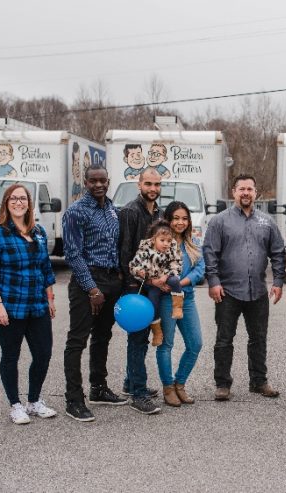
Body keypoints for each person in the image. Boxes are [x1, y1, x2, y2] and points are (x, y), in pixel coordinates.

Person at [204, 174, 286, 401]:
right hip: (227, 291)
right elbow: (210, 253)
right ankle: (222, 384)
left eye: (250, 189)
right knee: (224, 339)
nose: (246, 193)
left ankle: (259, 381)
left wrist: (278, 281)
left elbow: (278, 253)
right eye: (241, 189)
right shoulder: (219, 221)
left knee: (258, 338)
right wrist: (213, 282)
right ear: (234, 192)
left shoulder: (267, 221)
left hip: (258, 291)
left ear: (256, 192)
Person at [0, 184, 57, 424]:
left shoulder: (39, 232)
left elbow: (45, 268)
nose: (18, 202)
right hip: (10, 305)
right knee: (11, 355)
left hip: (37, 304)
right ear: (6, 203)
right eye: (13, 198)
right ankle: (15, 405)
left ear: (28, 203)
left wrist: (50, 299)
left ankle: (34, 401)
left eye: (22, 198)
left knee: (43, 353)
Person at [62, 164, 128, 423]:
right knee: (77, 340)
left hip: (111, 280)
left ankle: (98, 388)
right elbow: (72, 253)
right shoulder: (76, 212)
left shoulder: (112, 209)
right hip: (87, 281)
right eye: (93, 181)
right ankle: (73, 399)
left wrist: (118, 279)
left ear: (108, 181)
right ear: (85, 183)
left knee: (103, 336)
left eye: (103, 180)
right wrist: (91, 289)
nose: (99, 185)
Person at [119, 168, 162, 415]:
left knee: (141, 338)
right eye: (148, 184)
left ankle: (130, 381)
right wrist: (132, 287)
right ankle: (138, 394)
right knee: (137, 339)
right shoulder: (130, 212)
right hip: (136, 286)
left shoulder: (158, 212)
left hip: (153, 283)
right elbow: (125, 252)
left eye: (157, 184)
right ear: (139, 184)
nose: (153, 188)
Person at [155, 201, 205, 407]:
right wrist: (159, 281)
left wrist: (179, 283)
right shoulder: (161, 241)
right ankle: (168, 388)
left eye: (184, 218)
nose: (180, 222)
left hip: (187, 298)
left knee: (195, 343)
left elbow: (200, 268)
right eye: (176, 218)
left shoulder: (192, 242)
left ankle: (180, 384)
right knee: (166, 345)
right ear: (168, 219)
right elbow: (148, 264)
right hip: (166, 299)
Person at [128, 220, 185, 347]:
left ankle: (177, 307)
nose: (166, 244)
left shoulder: (172, 249)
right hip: (152, 282)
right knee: (153, 301)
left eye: (168, 241)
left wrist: (165, 276)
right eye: (162, 240)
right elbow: (133, 267)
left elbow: (177, 264)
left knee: (175, 281)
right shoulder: (145, 250)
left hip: (165, 277)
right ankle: (157, 332)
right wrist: (142, 273)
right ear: (154, 239)